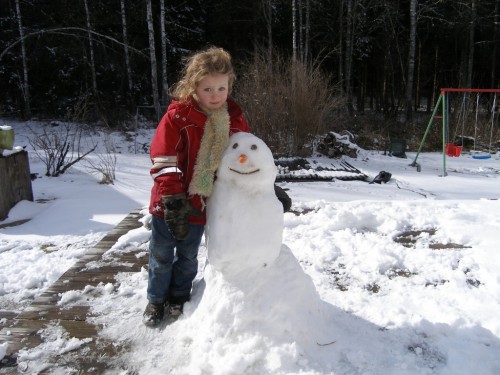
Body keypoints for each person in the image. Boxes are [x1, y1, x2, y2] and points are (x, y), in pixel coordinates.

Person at [143, 47, 250, 327]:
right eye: (207, 89)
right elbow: (164, 158)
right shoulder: (178, 117)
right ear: (193, 87)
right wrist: (173, 199)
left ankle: (179, 296)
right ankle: (156, 300)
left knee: (188, 256)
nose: (215, 95)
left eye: (221, 88)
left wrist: (264, 187)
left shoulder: (234, 122)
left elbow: (244, 160)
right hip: (169, 203)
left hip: (200, 204)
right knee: (161, 255)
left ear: (229, 86)